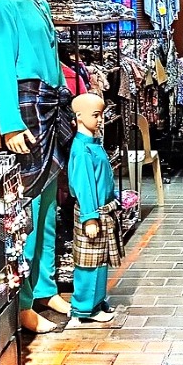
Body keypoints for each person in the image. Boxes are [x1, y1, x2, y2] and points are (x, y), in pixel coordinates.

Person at [0, 0, 74, 333]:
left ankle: (45, 285)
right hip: (26, 105)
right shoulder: (2, 6)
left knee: (52, 201)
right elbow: (1, 64)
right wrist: (10, 123)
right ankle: (21, 302)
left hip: (51, 104)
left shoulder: (39, 3)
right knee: (28, 209)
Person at [68, 93, 123, 323]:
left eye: (101, 115)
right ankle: (84, 308)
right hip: (94, 213)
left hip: (103, 210)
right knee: (89, 263)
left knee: (100, 261)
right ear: (79, 116)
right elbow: (84, 186)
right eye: (96, 115)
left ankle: (97, 300)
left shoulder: (93, 144)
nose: (100, 120)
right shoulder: (81, 150)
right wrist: (90, 218)